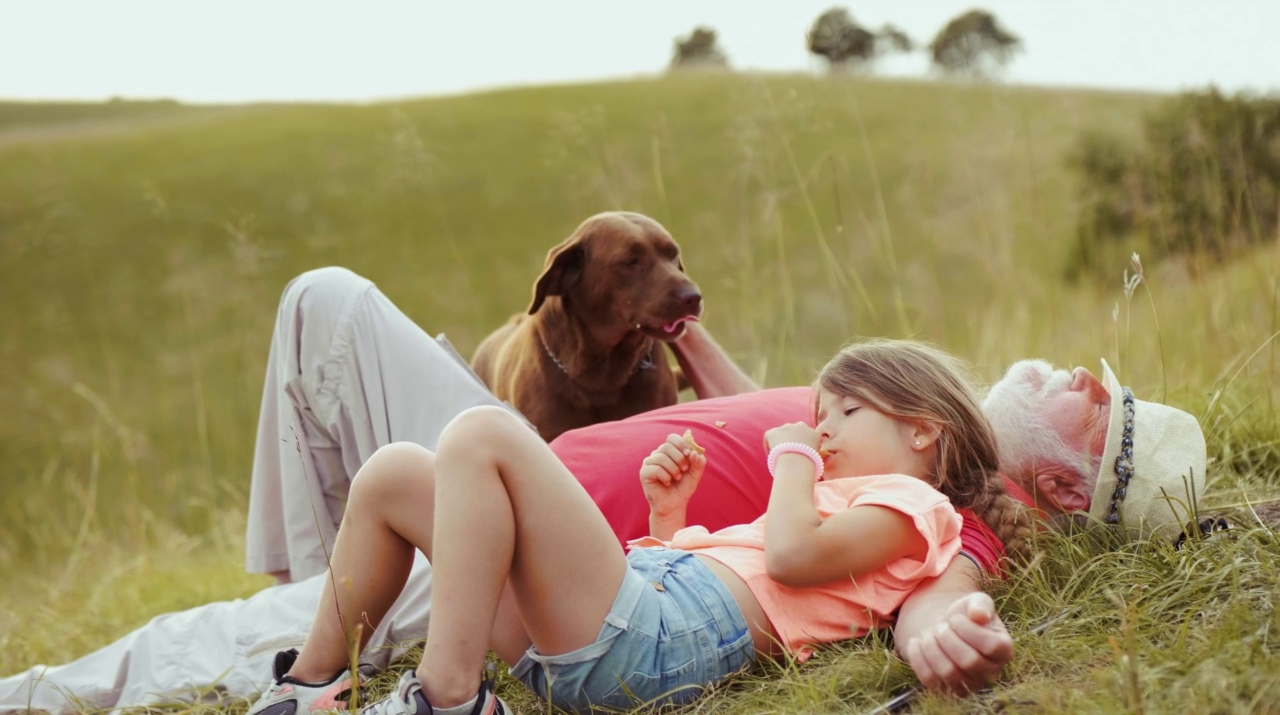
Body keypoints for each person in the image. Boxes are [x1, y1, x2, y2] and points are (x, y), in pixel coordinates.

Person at [0, 268, 1207, 712]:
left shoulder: (927, 497)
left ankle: (58, 692)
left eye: (1094, 403)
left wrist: (952, 633)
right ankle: (331, 602)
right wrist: (697, 349)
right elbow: (760, 416)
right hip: (551, 511)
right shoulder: (868, 426)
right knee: (325, 304)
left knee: (181, 647)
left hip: (524, 548)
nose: (1066, 373)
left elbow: (930, 590)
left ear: (1056, 479)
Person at [245, 339, 1033, 715]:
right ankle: (315, 684)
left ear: (923, 431)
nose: (820, 433)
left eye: (842, 416)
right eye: (815, 420)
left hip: (652, 647)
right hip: (635, 624)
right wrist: (669, 517)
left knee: (482, 435)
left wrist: (791, 459)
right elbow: (720, 576)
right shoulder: (848, 498)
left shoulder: (915, 508)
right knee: (394, 473)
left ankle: (449, 698)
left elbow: (790, 563)